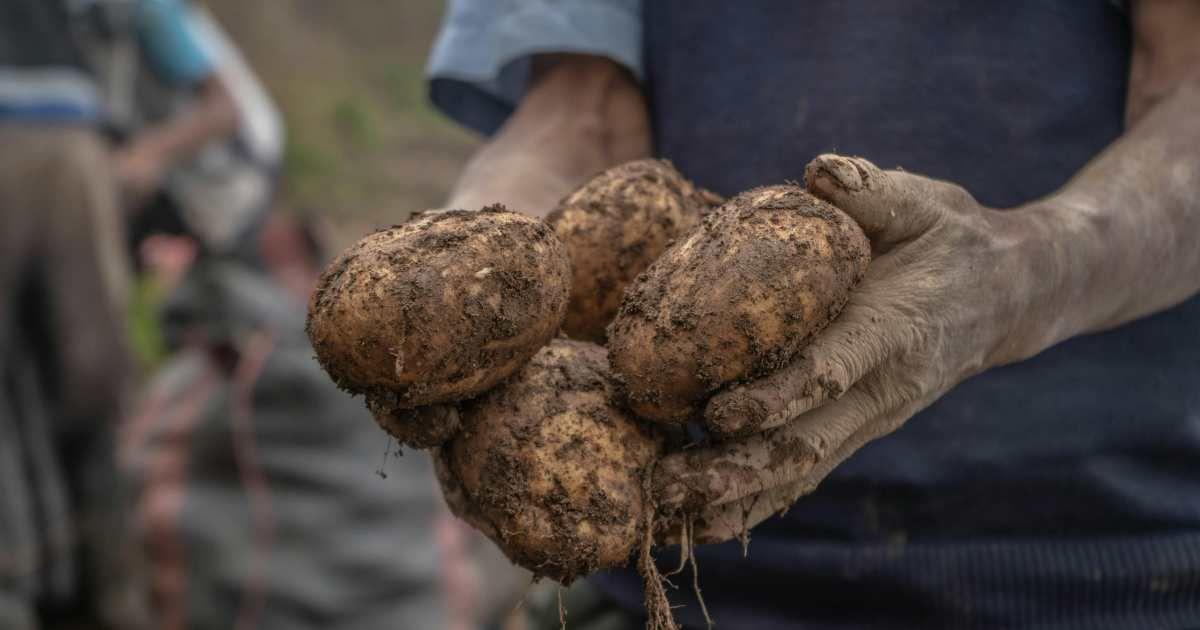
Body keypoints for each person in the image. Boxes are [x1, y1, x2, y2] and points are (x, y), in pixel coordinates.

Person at [425, 1, 1200, 627]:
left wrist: (1029, 266)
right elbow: (576, 111)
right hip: (686, 573)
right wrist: (464, 280)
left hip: (1097, 560)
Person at [0, 0, 237, 627]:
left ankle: (115, 591)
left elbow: (223, 103)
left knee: (96, 379)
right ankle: (22, 581)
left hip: (74, 169)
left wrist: (145, 157)